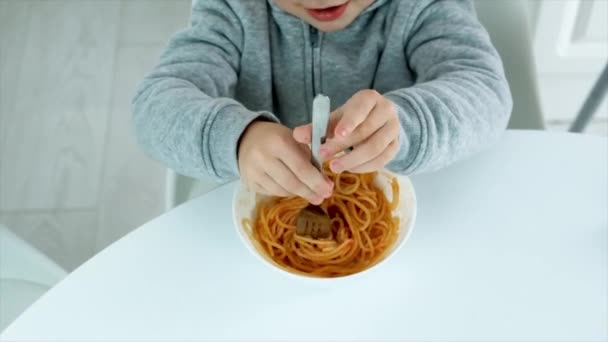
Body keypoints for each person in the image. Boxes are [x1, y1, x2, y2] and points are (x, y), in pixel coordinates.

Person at [132, 0, 512, 205]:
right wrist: (237, 138)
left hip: (417, 205)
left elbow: (485, 91)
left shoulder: (426, 7)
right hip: (255, 196)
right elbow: (154, 107)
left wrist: (405, 124)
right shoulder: (231, 9)